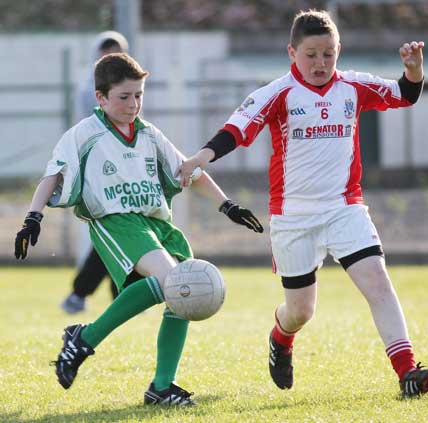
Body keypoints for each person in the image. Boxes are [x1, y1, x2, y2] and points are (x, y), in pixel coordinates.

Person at [178, 9, 428, 398]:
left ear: (339, 51)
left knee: (378, 283)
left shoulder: (353, 86)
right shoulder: (278, 93)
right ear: (292, 52)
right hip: (293, 217)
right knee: (300, 311)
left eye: (328, 54)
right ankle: (281, 338)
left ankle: (407, 373)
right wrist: (201, 157)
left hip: (345, 208)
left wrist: (414, 70)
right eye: (311, 54)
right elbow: (236, 129)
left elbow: (405, 94)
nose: (320, 63)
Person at [14, 52, 263, 406]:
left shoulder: (148, 134)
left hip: (158, 224)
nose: (133, 104)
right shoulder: (84, 134)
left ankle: (159, 385)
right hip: (116, 221)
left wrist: (228, 204)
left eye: (139, 95)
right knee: (174, 281)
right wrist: (32, 217)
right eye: (124, 96)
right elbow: (52, 175)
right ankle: (87, 339)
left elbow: (188, 170)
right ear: (100, 97)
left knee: (182, 293)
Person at [61, 31, 130, 314]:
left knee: (120, 227)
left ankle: (103, 293)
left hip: (125, 167)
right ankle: (96, 292)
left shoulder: (130, 84)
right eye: (106, 52)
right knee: (114, 227)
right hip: (99, 168)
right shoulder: (90, 88)